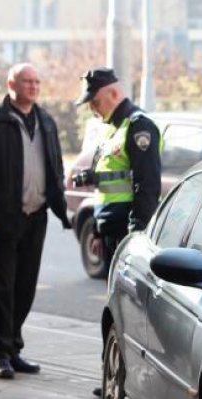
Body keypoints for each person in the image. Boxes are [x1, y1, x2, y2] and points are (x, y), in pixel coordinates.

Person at [0, 63, 70, 379]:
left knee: (24, 288)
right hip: (0, 220)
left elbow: (56, 165)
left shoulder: (47, 122)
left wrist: (58, 199)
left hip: (36, 217)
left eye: (37, 81)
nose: (34, 86)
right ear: (11, 83)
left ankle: (15, 349)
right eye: (27, 81)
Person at [72, 67, 161, 262]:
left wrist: (137, 236)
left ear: (113, 93)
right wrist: (97, 230)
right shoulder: (111, 128)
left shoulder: (139, 126)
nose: (92, 109)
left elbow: (147, 185)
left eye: (94, 102)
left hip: (127, 232)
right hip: (110, 231)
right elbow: (105, 185)